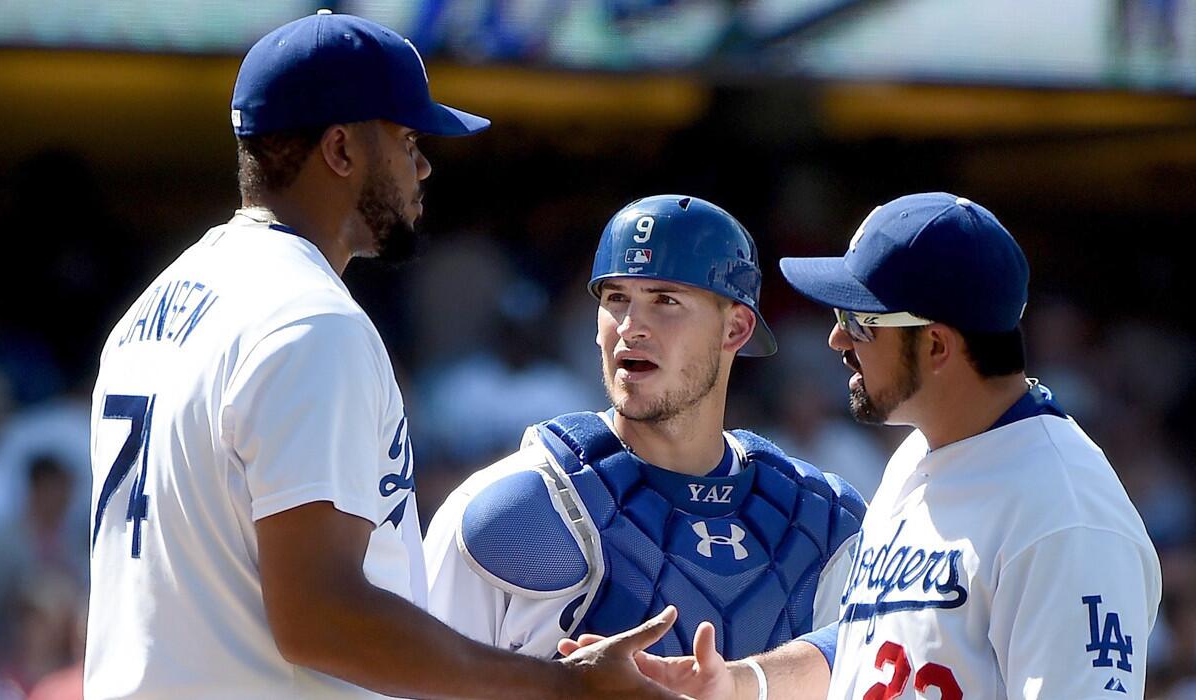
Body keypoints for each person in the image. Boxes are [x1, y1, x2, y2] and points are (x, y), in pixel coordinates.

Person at [85, 11, 683, 700]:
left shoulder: (157, 306)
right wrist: (559, 687)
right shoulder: (307, 320)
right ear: (340, 150)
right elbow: (321, 618)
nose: (422, 165)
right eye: (405, 139)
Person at [560, 192, 1163, 699]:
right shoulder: (919, 454)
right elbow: (867, 648)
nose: (835, 339)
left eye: (859, 322)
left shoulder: (1066, 519)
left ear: (935, 347)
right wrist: (735, 683)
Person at [425, 195, 865, 661]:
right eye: (617, 299)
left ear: (735, 329)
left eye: (665, 300)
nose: (631, 327)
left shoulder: (826, 521)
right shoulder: (510, 509)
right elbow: (417, 687)